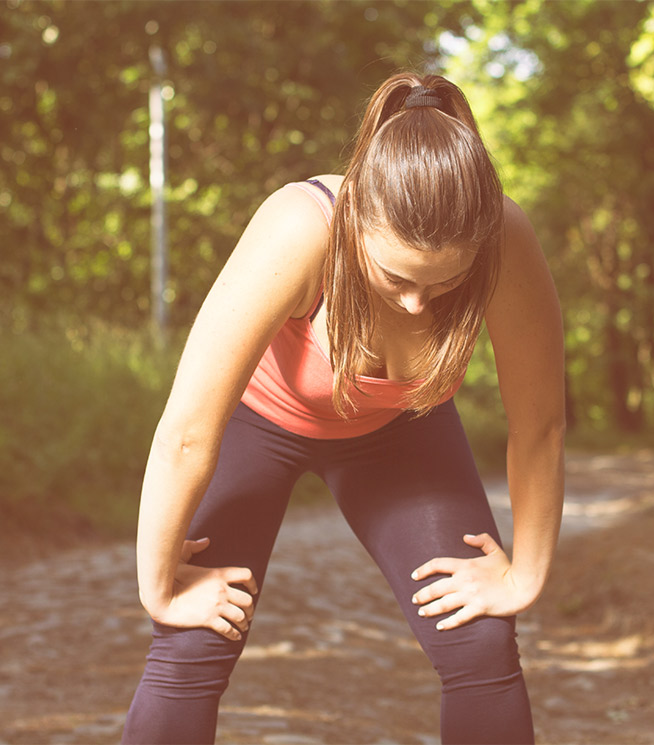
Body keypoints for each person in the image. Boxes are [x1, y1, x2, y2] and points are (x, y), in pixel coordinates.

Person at [121, 72, 565, 745]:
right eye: (397, 278)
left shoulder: (503, 237)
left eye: (443, 282)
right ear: (357, 218)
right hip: (256, 423)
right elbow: (187, 430)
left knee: (479, 641)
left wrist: (525, 572)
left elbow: (539, 423)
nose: (418, 302)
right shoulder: (301, 227)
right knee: (191, 641)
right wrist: (158, 586)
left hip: (399, 434)